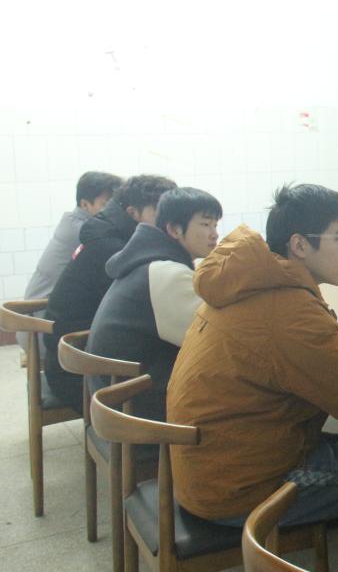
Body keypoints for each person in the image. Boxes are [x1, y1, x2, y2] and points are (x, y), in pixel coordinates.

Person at [166, 183, 338, 526]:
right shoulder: (286, 308)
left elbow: (322, 339)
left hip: (214, 470)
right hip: (245, 489)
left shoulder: (252, 280)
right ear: (300, 245)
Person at [86, 188, 222, 421]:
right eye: (205, 224)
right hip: (137, 412)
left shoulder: (149, 262)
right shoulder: (165, 273)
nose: (215, 234)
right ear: (174, 229)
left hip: (118, 399)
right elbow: (216, 339)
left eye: (215, 225)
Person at [43, 175, 176, 413]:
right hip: (83, 379)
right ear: (133, 212)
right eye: (160, 212)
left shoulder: (111, 236)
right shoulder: (115, 250)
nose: (169, 222)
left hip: (79, 362)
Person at [18, 171, 121, 353]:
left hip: (40, 322)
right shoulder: (85, 233)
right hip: (44, 327)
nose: (113, 211)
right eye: (106, 204)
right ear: (85, 204)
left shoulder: (73, 224)